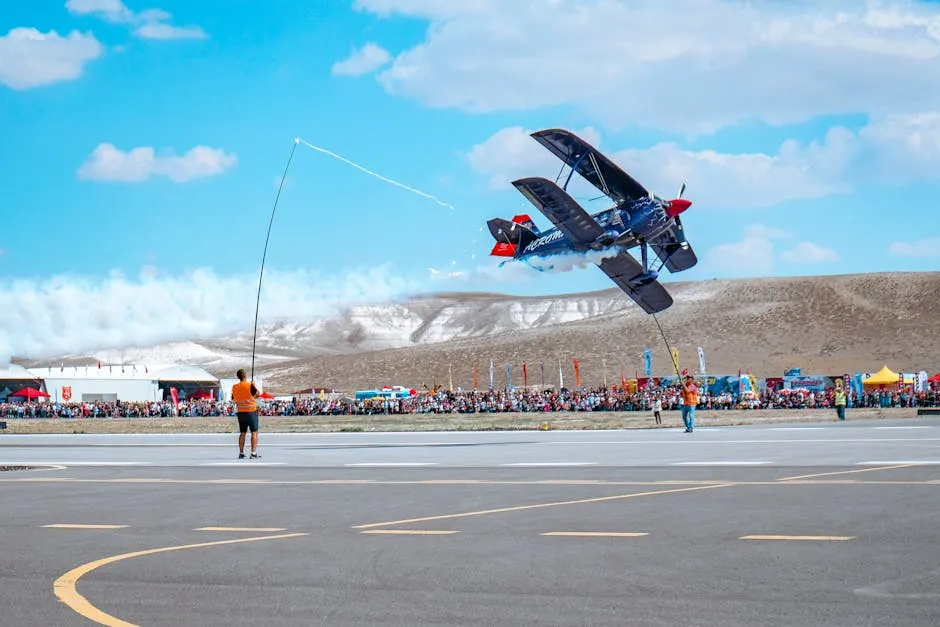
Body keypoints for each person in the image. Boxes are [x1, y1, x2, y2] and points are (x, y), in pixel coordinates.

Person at [231, 368, 261, 459]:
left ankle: (241, 452)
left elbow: (233, 397)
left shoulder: (235, 387)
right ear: (245, 376)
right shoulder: (249, 385)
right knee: (254, 433)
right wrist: (253, 386)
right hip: (251, 411)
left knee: (242, 433)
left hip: (241, 413)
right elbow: (257, 394)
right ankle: (253, 453)